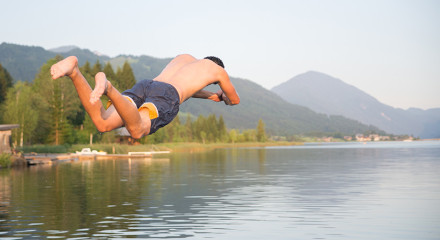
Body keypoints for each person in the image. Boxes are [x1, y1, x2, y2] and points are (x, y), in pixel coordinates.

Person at [50, 54, 240, 139]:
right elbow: (234, 100)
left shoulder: (184, 58)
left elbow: (188, 88)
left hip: (147, 85)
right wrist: (222, 94)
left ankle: (74, 71)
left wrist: (209, 96)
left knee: (103, 122)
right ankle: (108, 87)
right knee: (137, 130)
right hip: (166, 95)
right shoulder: (218, 71)